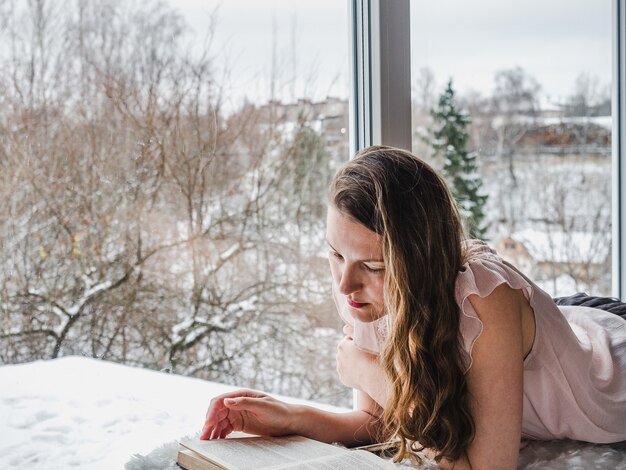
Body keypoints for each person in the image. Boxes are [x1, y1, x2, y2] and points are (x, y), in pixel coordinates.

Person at [200, 146, 626, 469]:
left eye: (372, 265)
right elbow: (380, 421)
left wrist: (365, 369)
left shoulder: (485, 301)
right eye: (335, 255)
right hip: (558, 327)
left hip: (609, 366)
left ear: (417, 261)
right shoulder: (365, 291)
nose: (345, 284)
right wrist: (291, 416)